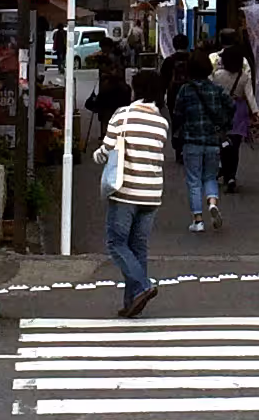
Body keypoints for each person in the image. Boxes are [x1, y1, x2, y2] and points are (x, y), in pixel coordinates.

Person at [93, 69, 168, 318]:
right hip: (152, 192)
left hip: (126, 190)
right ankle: (131, 302)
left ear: (136, 90)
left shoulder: (123, 115)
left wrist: (98, 156)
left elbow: (107, 149)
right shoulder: (161, 122)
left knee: (116, 243)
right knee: (138, 247)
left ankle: (143, 286)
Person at [170, 49, 233, 231]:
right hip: (213, 140)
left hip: (192, 141)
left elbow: (177, 114)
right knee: (210, 177)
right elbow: (231, 105)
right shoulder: (216, 89)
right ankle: (212, 202)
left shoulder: (185, 90)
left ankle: (198, 220)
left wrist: (180, 131)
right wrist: (224, 123)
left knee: (194, 180)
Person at [213, 44, 259, 194]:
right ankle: (231, 175)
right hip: (239, 112)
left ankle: (225, 171)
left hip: (221, 111)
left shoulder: (217, 76)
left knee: (223, 143)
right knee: (235, 146)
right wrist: (256, 112)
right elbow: (250, 96)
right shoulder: (244, 77)